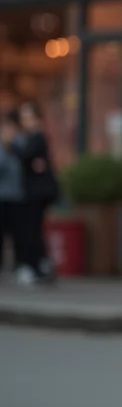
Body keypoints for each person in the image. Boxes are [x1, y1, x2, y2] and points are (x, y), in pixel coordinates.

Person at [10, 102, 59, 285]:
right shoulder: (30, 138)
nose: (26, 122)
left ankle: (37, 268)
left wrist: (12, 145)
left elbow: (25, 156)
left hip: (36, 194)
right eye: (23, 118)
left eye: (29, 117)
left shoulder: (37, 137)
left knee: (32, 230)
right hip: (30, 192)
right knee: (31, 230)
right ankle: (39, 266)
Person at [0, 114, 23, 278]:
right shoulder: (2, 149)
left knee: (17, 233)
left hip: (17, 197)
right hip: (2, 196)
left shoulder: (19, 147)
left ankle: (19, 265)